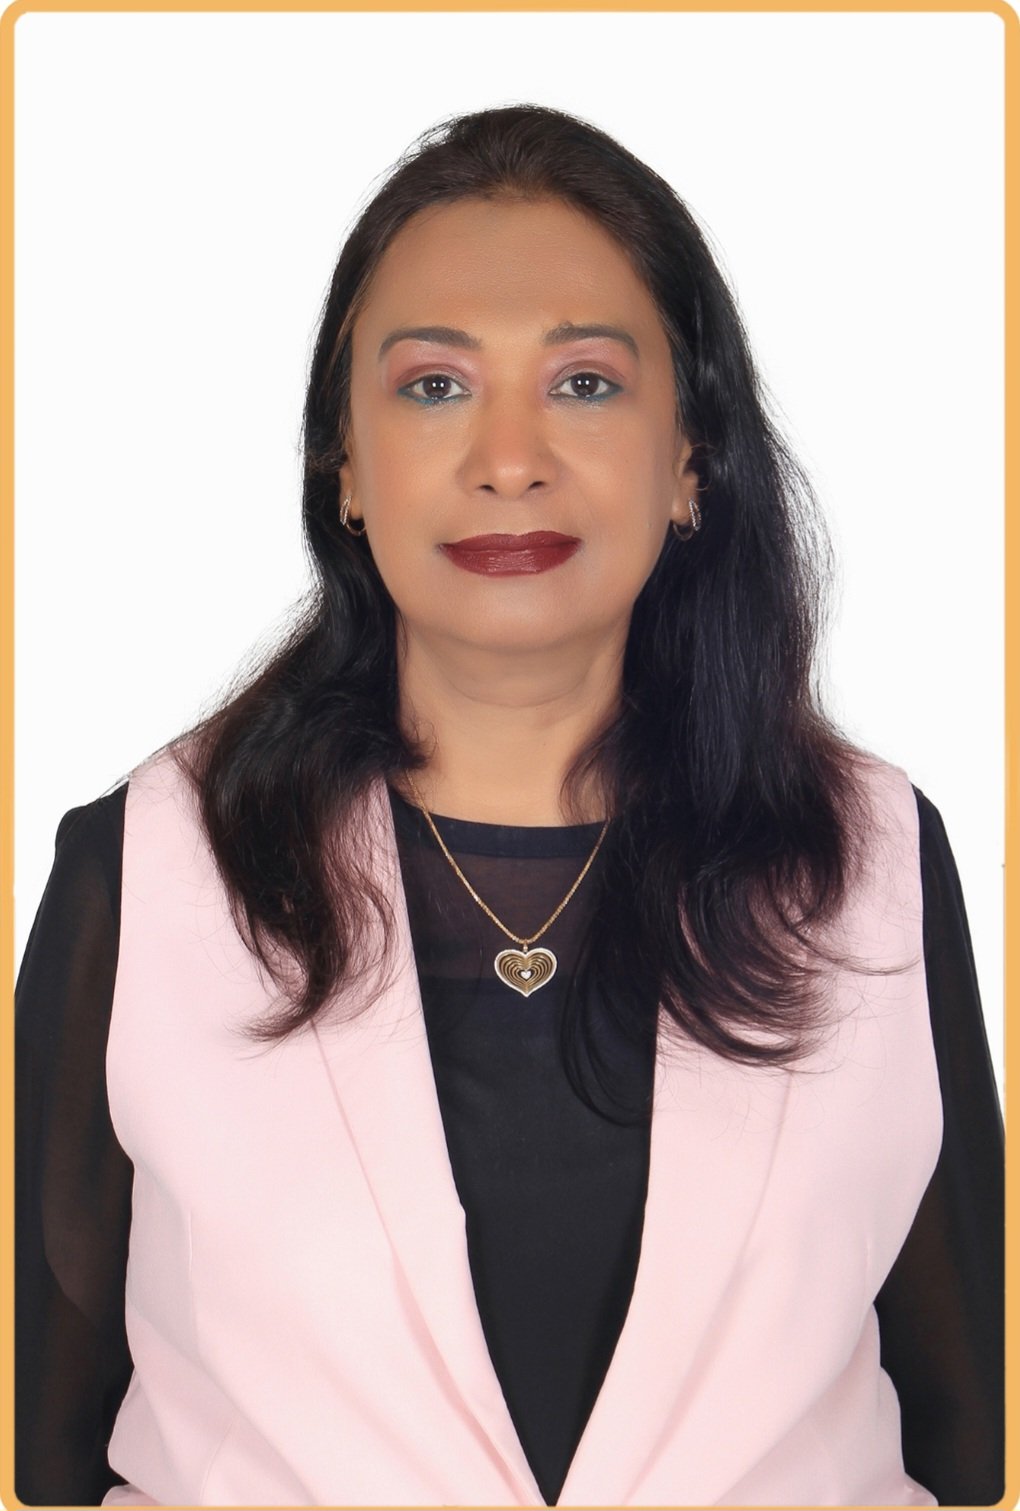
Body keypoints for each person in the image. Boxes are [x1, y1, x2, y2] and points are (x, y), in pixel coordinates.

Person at [15, 104, 1003, 1509]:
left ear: (690, 459)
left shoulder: (872, 857)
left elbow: (979, 1435)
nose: (510, 457)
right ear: (344, 466)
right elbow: (34, 1450)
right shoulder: (150, 868)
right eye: (434, 386)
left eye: (586, 383)